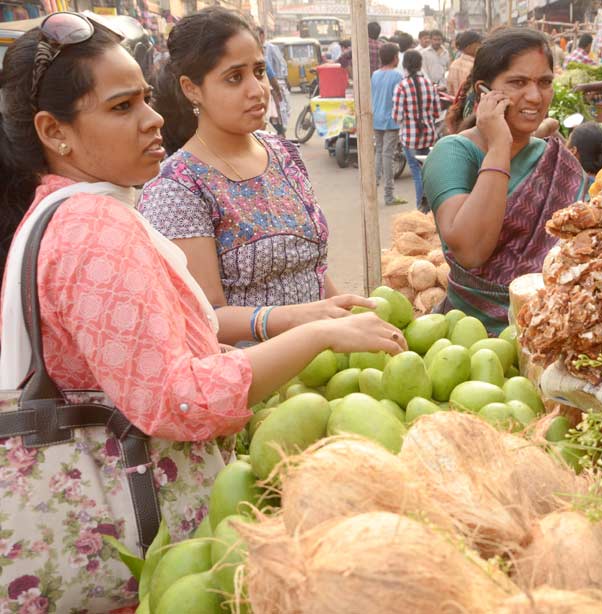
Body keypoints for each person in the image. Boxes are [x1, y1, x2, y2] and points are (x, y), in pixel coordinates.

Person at [0, 12, 405, 611]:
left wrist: (301, 316)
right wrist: (317, 334)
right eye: (121, 107)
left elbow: (155, 334)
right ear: (54, 132)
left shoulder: (74, 209)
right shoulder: (92, 226)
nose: (152, 118)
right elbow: (177, 398)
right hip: (125, 547)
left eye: (144, 97)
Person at [142, 8, 376, 345]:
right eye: (235, 78)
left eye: (259, 71)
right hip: (253, 377)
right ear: (192, 89)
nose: (258, 89)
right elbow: (204, 315)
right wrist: (303, 321)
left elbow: (309, 269)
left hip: (325, 367)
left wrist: (346, 314)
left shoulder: (283, 153)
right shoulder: (177, 187)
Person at [426, 28, 589, 333]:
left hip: (554, 329)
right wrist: (499, 145)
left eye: (545, 82)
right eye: (518, 82)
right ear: (484, 91)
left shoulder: (554, 159)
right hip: (473, 338)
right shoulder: (454, 154)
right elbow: (471, 252)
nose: (535, 96)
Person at [394, 49, 441, 213]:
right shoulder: (430, 85)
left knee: (417, 173)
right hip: (429, 136)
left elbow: (397, 116)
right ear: (420, 64)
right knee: (428, 172)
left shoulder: (402, 86)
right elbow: (437, 112)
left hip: (410, 138)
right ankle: (433, 207)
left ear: (405, 65)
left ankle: (421, 211)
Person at [372, 43, 407, 206]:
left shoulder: (375, 75)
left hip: (377, 118)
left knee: (379, 152)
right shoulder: (397, 76)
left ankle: (373, 186)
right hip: (391, 120)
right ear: (395, 58)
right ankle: (388, 195)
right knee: (387, 155)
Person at [258, 26, 290, 137]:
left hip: (270, 87)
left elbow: (278, 67)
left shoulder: (270, 49)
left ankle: (280, 132)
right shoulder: (258, 55)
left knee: (273, 115)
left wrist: (277, 88)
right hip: (266, 88)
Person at [447, 30, 482, 97]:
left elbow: (450, 90)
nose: (480, 47)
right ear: (469, 47)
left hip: (457, 104)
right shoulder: (475, 66)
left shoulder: (454, 64)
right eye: (478, 44)